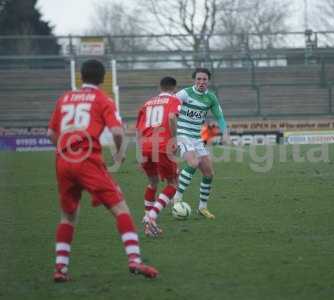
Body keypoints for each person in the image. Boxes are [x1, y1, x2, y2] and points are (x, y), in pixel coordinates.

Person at [48, 59, 159, 282]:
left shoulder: (65, 99)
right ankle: (134, 259)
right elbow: (117, 132)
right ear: (102, 78)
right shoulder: (102, 99)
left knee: (68, 216)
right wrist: (119, 153)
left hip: (63, 160)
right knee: (120, 208)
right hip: (88, 160)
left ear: (81, 76)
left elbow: (51, 134)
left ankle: (60, 269)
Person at [172, 67, 230, 219]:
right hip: (182, 134)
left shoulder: (211, 98)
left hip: (197, 138)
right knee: (192, 163)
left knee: (209, 173)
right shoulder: (185, 93)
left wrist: (225, 133)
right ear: (194, 80)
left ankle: (202, 208)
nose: (201, 82)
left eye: (204, 79)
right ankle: (177, 197)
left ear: (208, 81)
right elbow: (170, 106)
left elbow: (220, 117)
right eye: (199, 79)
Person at [135, 76, 181, 237]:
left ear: (160, 87)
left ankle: (147, 219)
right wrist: (174, 140)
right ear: (174, 88)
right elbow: (171, 117)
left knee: (152, 182)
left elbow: (139, 130)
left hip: (146, 146)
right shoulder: (174, 100)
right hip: (163, 146)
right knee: (173, 183)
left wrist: (139, 153)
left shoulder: (147, 104)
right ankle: (151, 216)